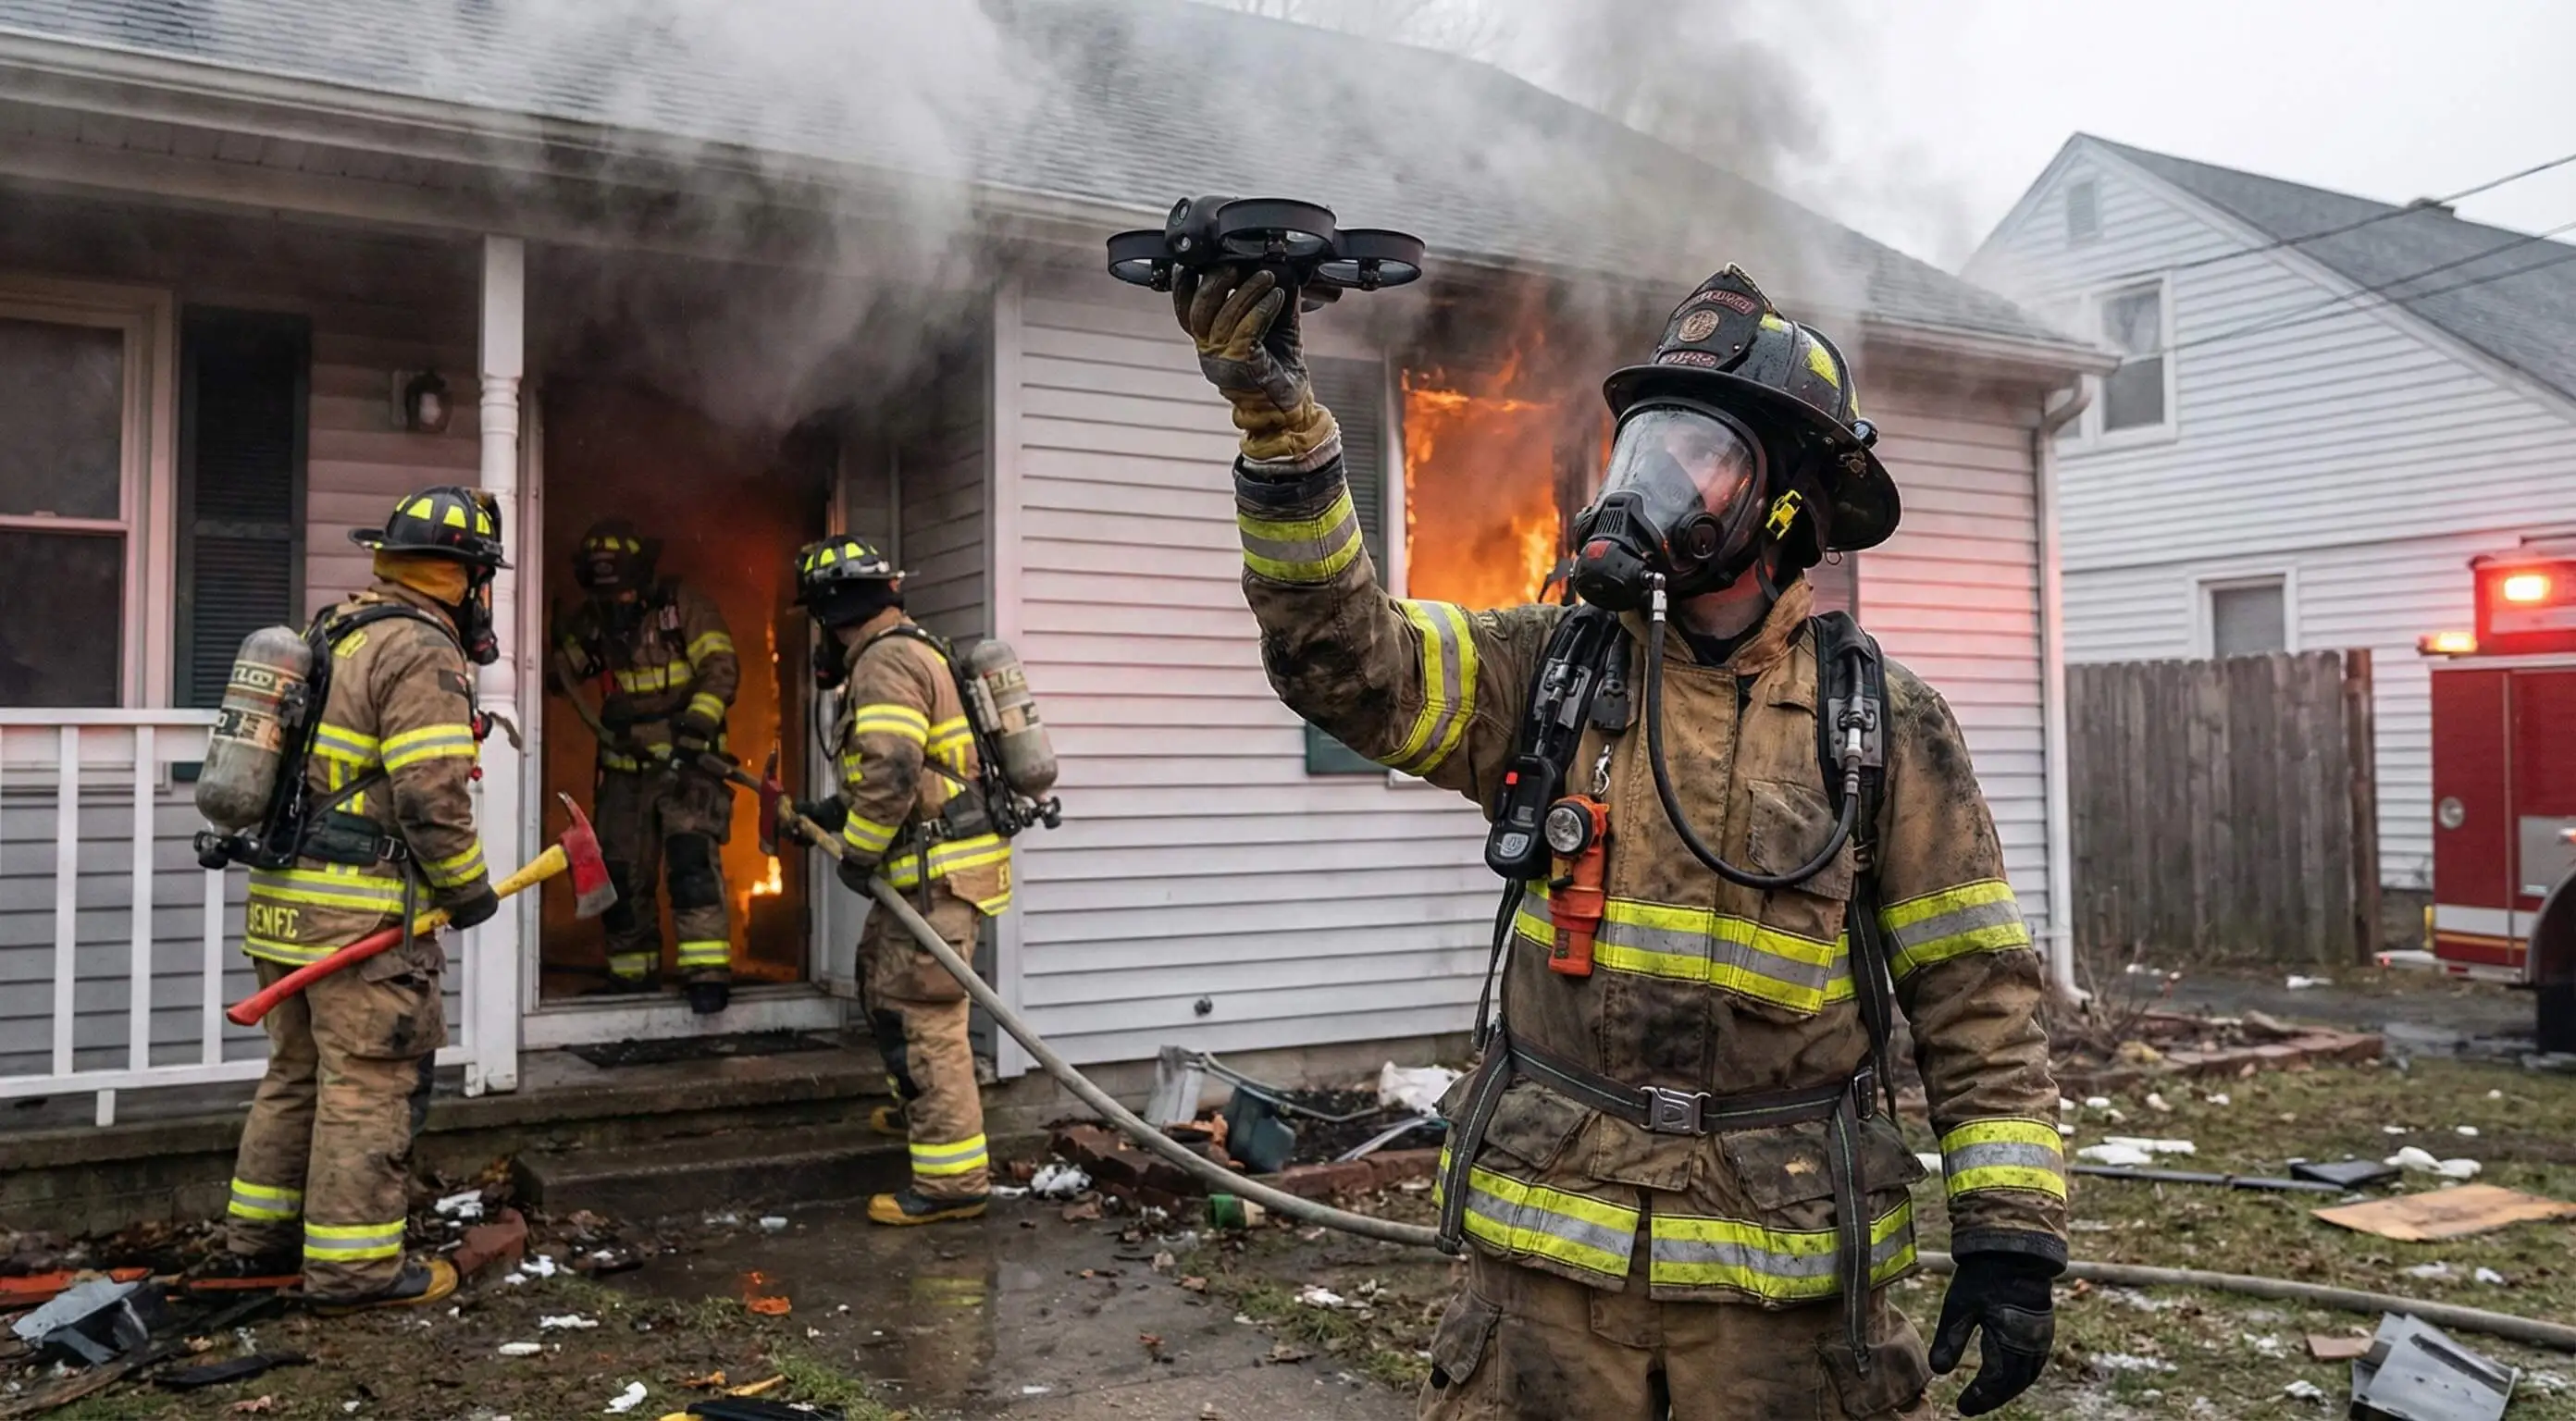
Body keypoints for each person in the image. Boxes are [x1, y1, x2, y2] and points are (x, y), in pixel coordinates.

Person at [1176, 263, 2066, 1418]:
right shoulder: (1545, 670)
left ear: (1787, 504)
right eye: (1647, 445)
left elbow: (1976, 998)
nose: (1652, 483)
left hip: (1781, 1317)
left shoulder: (1885, 727)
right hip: (1548, 1300)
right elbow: (1349, 661)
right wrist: (1283, 430)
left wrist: (2010, 1238)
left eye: (1701, 455)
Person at [211, 484, 508, 1313]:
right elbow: (430, 794)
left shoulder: (332, 630)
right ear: (465, 577)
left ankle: (258, 1244)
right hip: (359, 912)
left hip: (285, 902)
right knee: (368, 1084)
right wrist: (469, 888)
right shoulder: (418, 651)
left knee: (296, 1075)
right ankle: (356, 1271)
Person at [789, 536, 1012, 1226]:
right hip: (933, 867)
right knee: (881, 983)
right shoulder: (913, 650)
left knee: (926, 1014)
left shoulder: (885, 663)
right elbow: (900, 776)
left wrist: (855, 850)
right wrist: (827, 814)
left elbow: (890, 770)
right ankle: (921, 1104)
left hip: (933, 875)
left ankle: (952, 1183)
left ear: (833, 613)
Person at [551, 519, 740, 1015]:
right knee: (619, 873)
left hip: (689, 767)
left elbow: (721, 671)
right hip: (624, 771)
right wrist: (552, 644)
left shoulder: (685, 610)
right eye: (608, 594)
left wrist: (695, 731)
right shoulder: (596, 620)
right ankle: (631, 977)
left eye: (626, 591)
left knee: (691, 867)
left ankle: (706, 975)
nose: (619, 603)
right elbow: (561, 676)